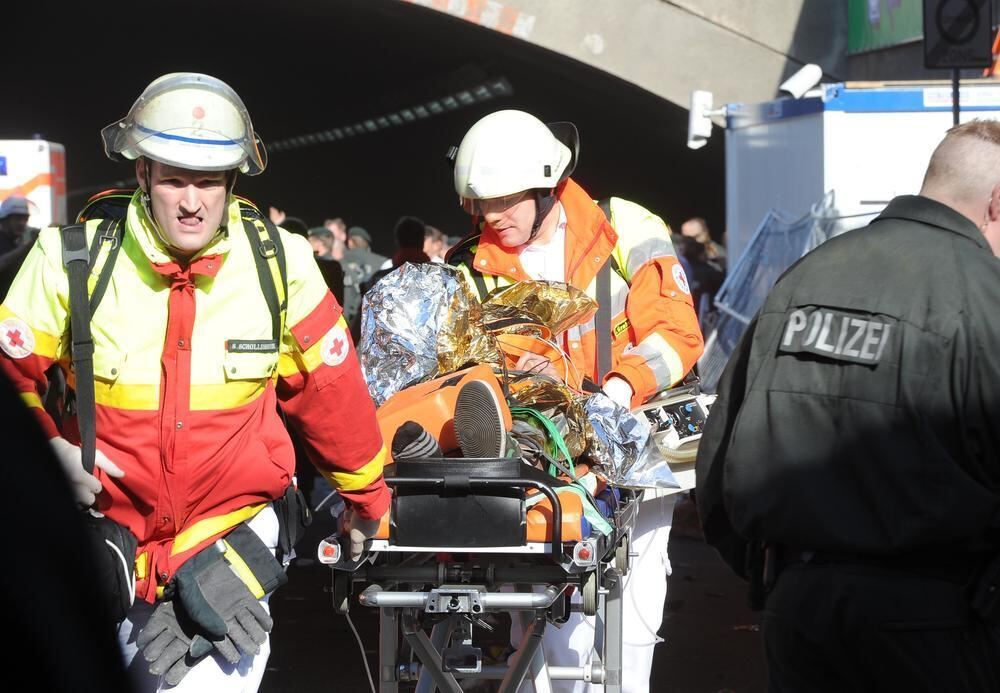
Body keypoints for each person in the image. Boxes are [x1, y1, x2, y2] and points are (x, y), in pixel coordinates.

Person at [0, 72, 389, 692]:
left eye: (208, 181)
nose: (191, 200)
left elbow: (331, 395)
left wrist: (369, 504)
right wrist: (47, 449)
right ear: (143, 175)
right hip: (109, 548)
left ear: (232, 183)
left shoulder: (281, 266)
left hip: (227, 553)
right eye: (175, 178)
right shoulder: (69, 260)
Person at [696, 119, 1000, 692]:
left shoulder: (807, 276)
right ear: (996, 202)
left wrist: (779, 573)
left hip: (799, 611)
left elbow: (719, 460)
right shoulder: (985, 296)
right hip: (940, 617)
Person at [447, 109, 704, 692]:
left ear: (546, 186)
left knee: (631, 630)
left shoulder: (626, 227)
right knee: (549, 633)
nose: (491, 217)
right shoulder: (472, 266)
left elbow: (677, 333)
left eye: (504, 202)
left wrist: (618, 389)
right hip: (543, 471)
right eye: (479, 204)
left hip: (633, 458)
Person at [341, 226, 387, 338]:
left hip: (346, 325)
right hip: (376, 326)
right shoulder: (383, 262)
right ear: (366, 244)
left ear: (351, 242)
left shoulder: (339, 264)